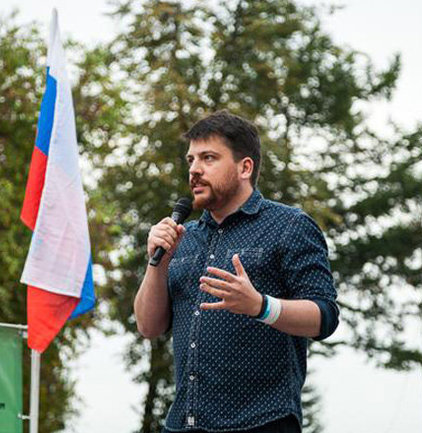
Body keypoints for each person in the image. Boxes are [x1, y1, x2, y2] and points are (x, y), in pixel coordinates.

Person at [133, 110, 339, 433]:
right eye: (191, 160)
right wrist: (156, 264)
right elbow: (148, 326)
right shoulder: (184, 238)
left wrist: (260, 306)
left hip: (260, 423)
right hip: (182, 425)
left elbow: (325, 316)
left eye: (208, 158)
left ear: (245, 167)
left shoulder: (289, 226)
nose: (195, 170)